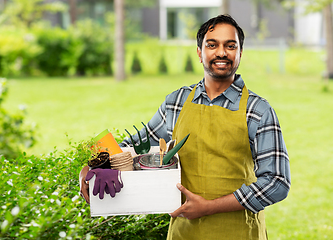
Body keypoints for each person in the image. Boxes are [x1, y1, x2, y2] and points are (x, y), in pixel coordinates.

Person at [80, 14, 291, 239]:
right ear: (200, 53)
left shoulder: (257, 110)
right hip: (184, 232)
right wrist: (97, 165)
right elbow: (137, 145)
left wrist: (209, 207)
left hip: (238, 231)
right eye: (212, 45)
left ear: (240, 53)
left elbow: (277, 182)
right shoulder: (177, 102)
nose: (221, 52)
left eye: (230, 46)